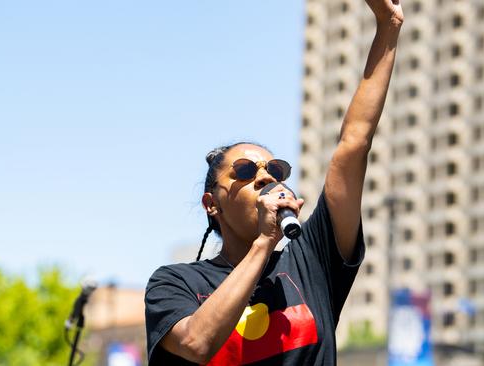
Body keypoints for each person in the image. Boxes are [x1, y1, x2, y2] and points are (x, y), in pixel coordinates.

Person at [144, 0, 403, 364]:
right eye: (246, 171)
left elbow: (354, 144)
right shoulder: (176, 283)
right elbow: (196, 344)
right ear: (211, 203)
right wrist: (265, 242)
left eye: (275, 169)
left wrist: (388, 26)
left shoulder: (311, 260)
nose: (265, 176)